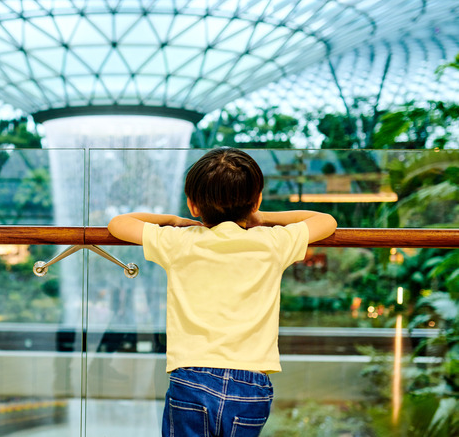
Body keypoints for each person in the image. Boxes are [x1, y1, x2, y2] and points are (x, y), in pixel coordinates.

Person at [107, 147, 337, 437]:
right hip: (252, 381)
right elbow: (326, 221)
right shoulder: (272, 242)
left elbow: (118, 224)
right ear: (257, 200)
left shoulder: (179, 241)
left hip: (192, 376)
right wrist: (263, 217)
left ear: (193, 206)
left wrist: (173, 221)